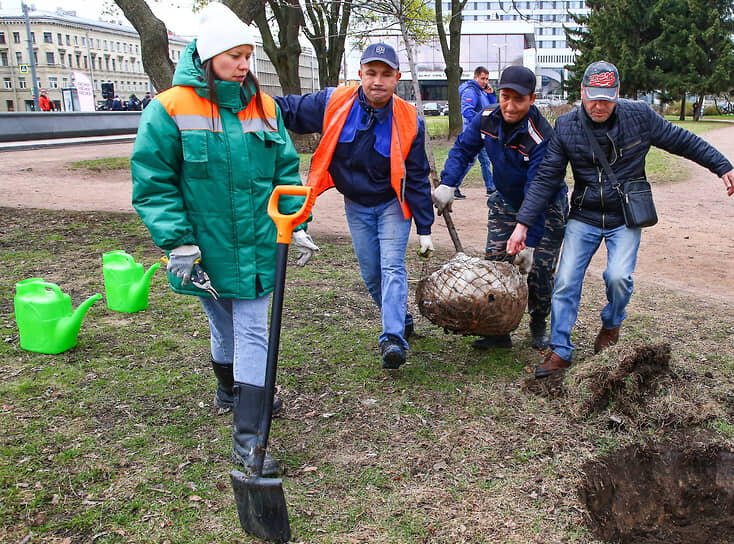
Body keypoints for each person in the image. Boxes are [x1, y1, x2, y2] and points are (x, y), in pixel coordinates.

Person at [130, 2, 318, 476]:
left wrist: (296, 225)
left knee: (253, 329)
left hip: (256, 241)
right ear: (209, 55)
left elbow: (285, 172)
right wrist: (177, 242)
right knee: (225, 327)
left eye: (248, 54)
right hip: (205, 247)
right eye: (235, 55)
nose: (244, 64)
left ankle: (248, 437)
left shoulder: (265, 106)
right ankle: (229, 388)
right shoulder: (169, 108)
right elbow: (154, 182)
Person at [507, 61, 734, 378]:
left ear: (618, 94)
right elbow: (547, 178)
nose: (599, 105)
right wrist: (522, 225)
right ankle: (560, 350)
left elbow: (681, 140)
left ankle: (612, 323)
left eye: (607, 98)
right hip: (585, 215)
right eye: (593, 97)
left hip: (625, 216)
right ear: (582, 93)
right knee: (564, 282)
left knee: (618, 277)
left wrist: (721, 165)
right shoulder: (567, 126)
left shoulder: (639, 116)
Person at [274, 42, 435, 370]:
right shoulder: (333, 101)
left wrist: (426, 228)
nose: (378, 81)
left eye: (386, 75)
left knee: (392, 267)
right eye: (371, 73)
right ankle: (400, 318)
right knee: (371, 274)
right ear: (359, 74)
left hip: (393, 203)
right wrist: (252, 101)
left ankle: (392, 338)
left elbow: (417, 175)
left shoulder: (409, 119)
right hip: (356, 204)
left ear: (397, 78)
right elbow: (288, 109)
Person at [434, 66, 567, 351]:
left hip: (547, 207)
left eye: (518, 99)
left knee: (539, 270)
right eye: (505, 96)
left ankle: (539, 322)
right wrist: (448, 183)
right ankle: (498, 331)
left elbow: (539, 192)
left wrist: (530, 240)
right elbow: (463, 148)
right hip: (505, 201)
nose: (509, 105)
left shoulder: (541, 137)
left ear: (532, 99)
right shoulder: (486, 119)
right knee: (495, 265)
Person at [454, 66, 497, 199]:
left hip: (482, 132)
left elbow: (491, 108)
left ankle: (490, 187)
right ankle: (454, 186)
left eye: (487, 79)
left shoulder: (481, 91)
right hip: (473, 133)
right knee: (470, 161)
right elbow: (466, 111)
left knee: (485, 160)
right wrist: (481, 122)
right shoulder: (471, 92)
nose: (485, 81)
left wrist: (491, 95)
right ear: (475, 77)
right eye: (482, 78)